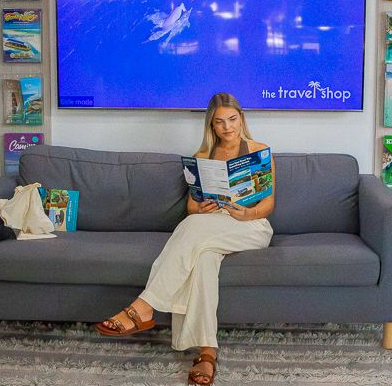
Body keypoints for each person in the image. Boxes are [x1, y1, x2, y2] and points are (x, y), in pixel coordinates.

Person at [95, 92, 275, 386]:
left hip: (251, 226)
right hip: (211, 225)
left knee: (190, 228)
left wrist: (247, 213)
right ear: (212, 126)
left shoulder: (260, 151)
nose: (228, 127)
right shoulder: (202, 157)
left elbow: (269, 205)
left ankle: (144, 306)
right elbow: (193, 207)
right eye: (220, 122)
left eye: (232, 119)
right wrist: (201, 206)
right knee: (202, 256)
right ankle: (207, 353)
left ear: (241, 118)